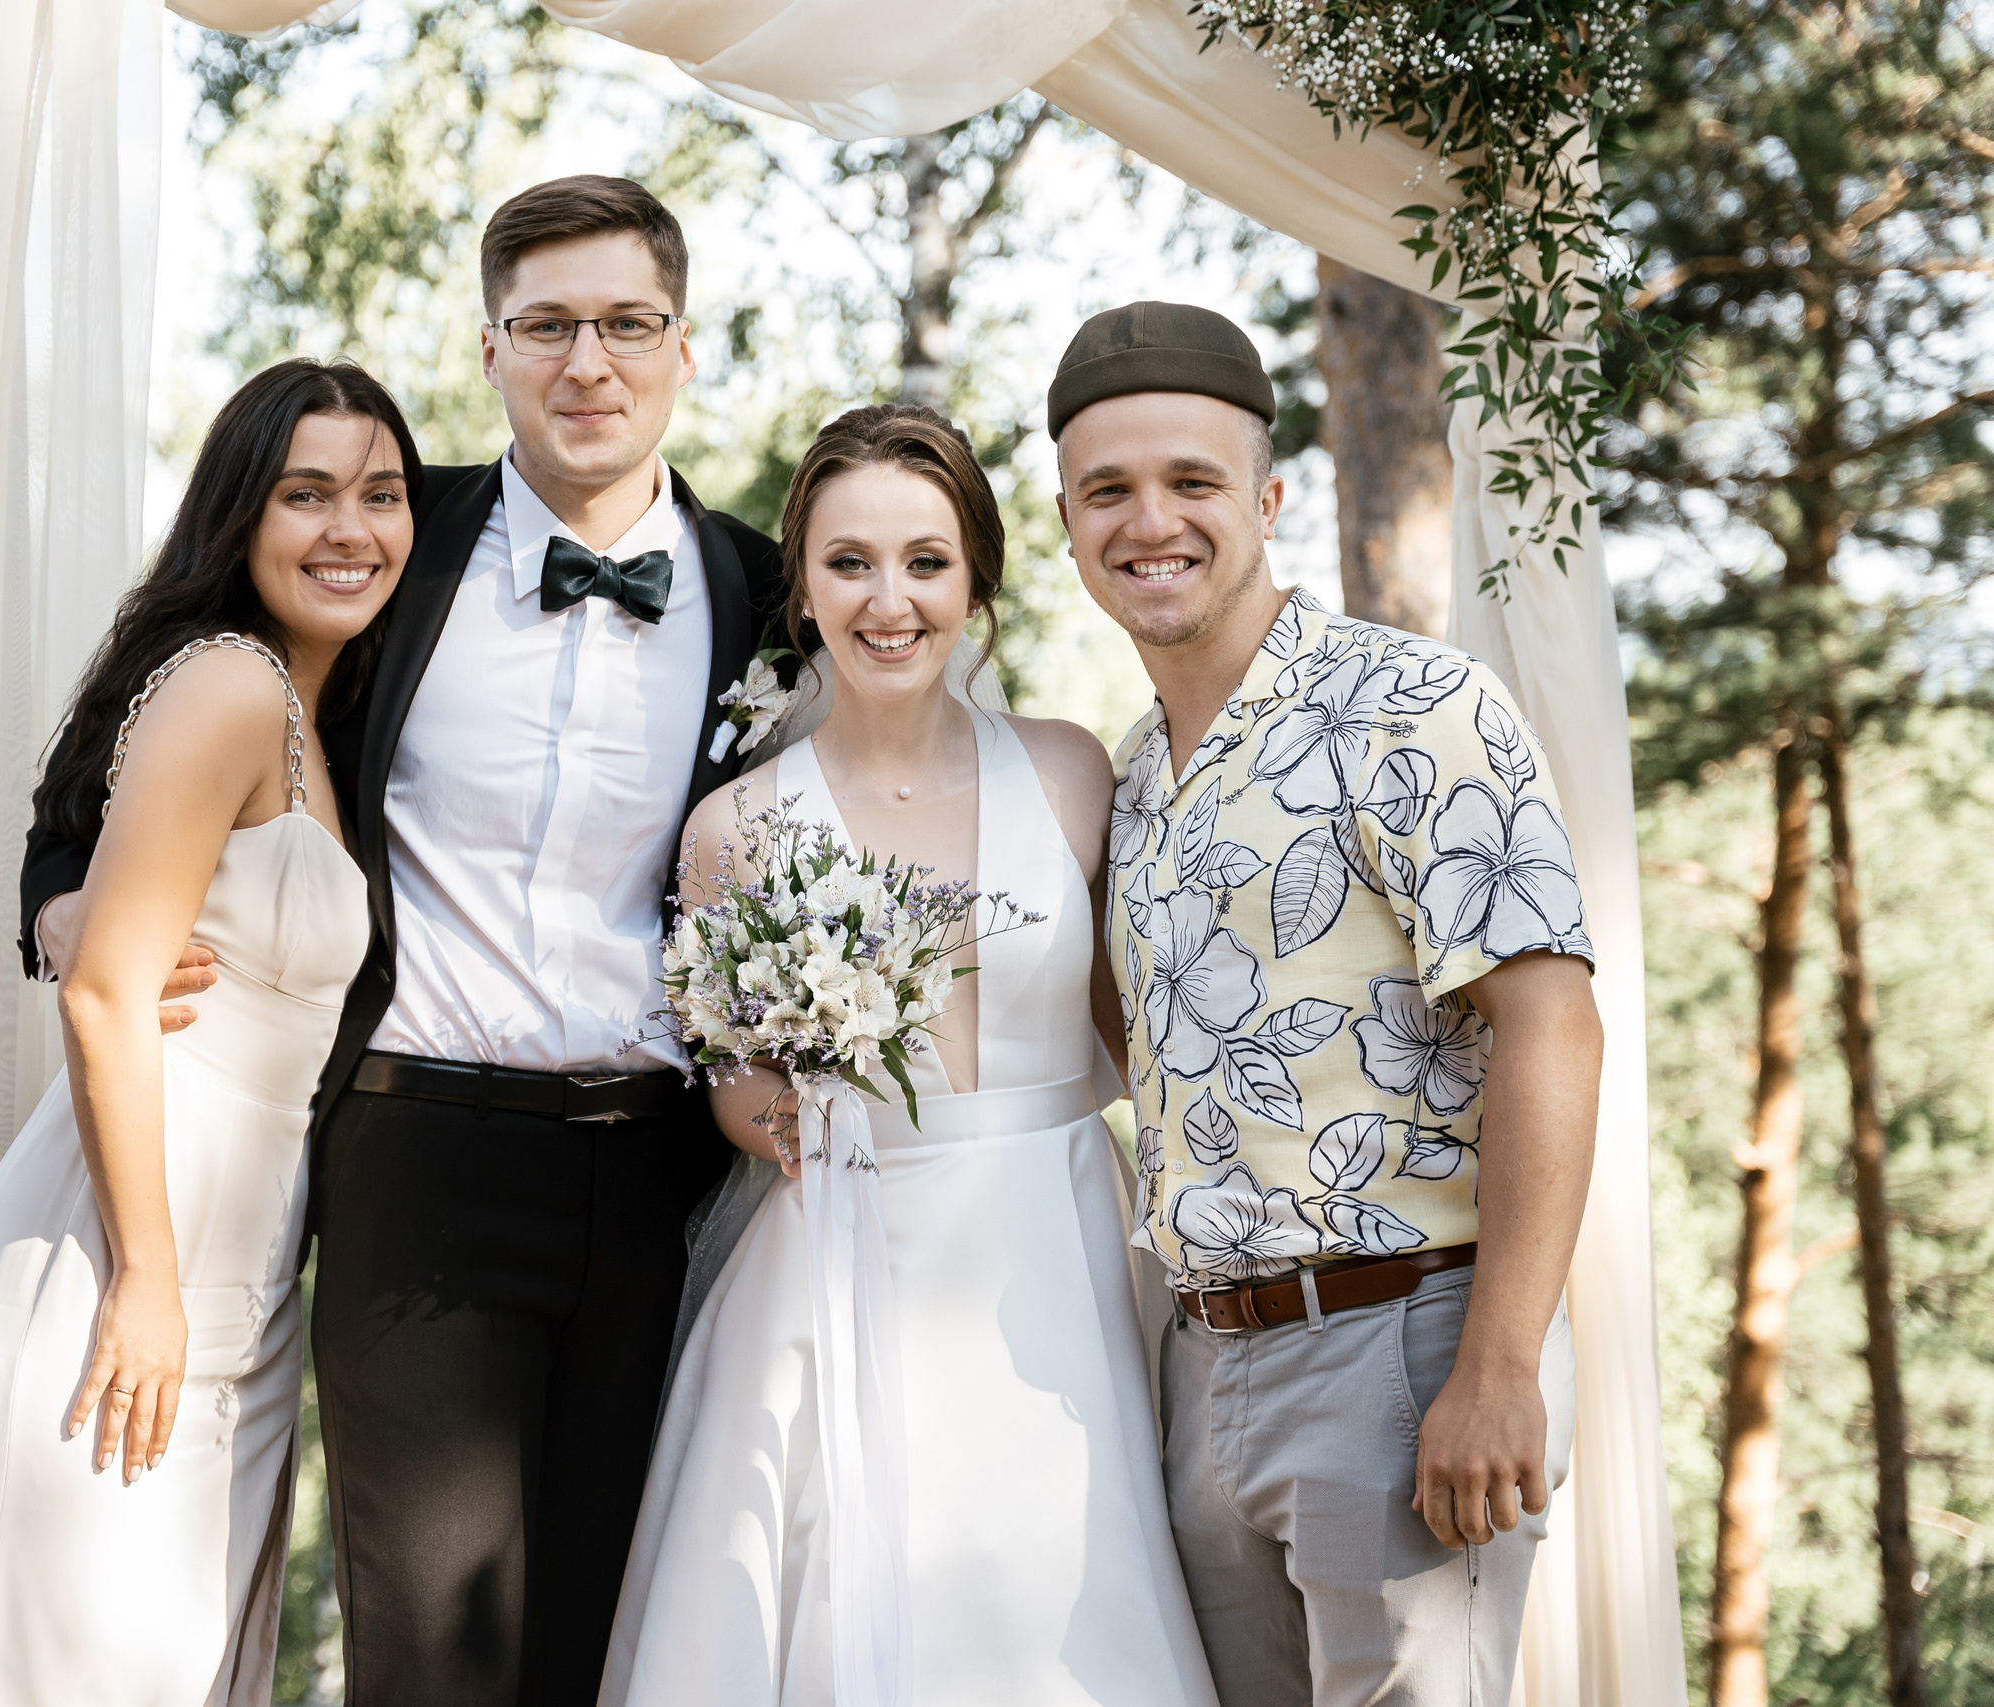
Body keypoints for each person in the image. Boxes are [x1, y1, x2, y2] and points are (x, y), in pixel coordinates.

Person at [16, 177, 788, 1707]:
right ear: (492, 348)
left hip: (657, 1179)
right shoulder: (382, 540)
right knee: (432, 1653)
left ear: (684, 350)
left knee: (599, 1632)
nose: (589, 363)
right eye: (546, 326)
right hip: (412, 1155)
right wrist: (63, 912)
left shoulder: (762, 589)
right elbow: (119, 745)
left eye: (627, 323)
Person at [599, 404, 1223, 1707]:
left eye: (927, 563)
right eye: (851, 564)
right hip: (839, 1251)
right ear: (804, 587)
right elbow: (727, 1082)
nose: (891, 601)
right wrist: (797, 1110)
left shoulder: (1070, 774)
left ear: (976, 580)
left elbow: (1136, 1022)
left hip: (1055, 1259)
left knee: (1063, 1606)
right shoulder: (738, 827)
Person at [1055, 300, 1602, 1706]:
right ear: (1067, 520)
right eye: (1107, 490)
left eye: (1191, 482)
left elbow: (1553, 1025)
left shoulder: (1410, 705)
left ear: (1269, 498)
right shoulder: (1135, 775)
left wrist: (1497, 1367)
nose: (1149, 521)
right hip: (1207, 1370)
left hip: (1404, 1344)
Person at [0, 359, 419, 1705]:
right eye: (307, 493)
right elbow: (104, 989)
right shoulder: (230, 685)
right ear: (240, 516)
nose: (349, 527)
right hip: (120, 1267)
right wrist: (144, 1280)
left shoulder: (330, 714)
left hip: (241, 1292)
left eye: (381, 492)